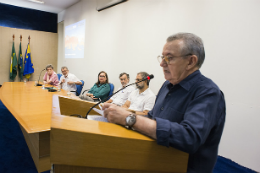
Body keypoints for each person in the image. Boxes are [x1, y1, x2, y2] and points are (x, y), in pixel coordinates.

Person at [102, 33, 226, 173]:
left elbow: (189, 137)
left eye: (169, 58)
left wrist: (129, 119)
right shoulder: (167, 85)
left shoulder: (208, 92)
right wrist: (122, 115)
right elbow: (152, 117)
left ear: (191, 62)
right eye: (162, 57)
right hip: (154, 159)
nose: (162, 63)